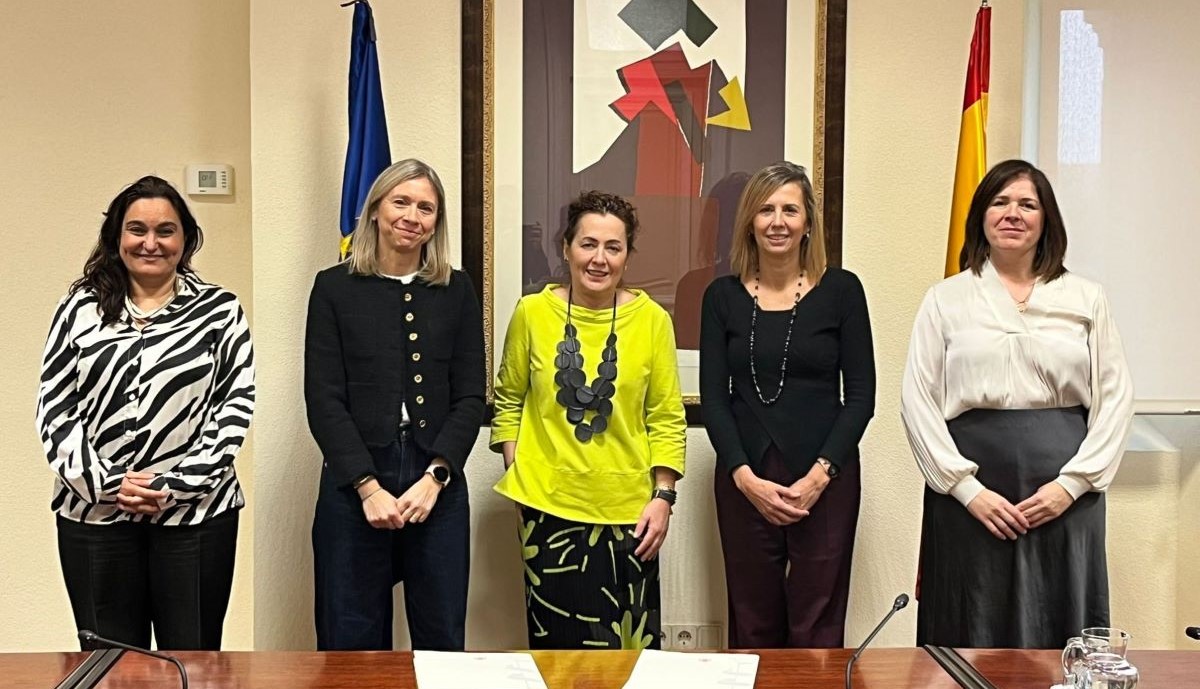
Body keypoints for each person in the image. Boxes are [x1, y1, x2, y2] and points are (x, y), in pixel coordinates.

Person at [901, 159, 1134, 649]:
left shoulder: (1086, 298)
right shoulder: (945, 299)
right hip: (970, 498)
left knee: (1062, 629)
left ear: (1046, 218)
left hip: (1066, 495)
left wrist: (1071, 486)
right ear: (981, 216)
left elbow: (1116, 397)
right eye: (999, 202)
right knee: (969, 626)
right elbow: (917, 400)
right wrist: (967, 490)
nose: (1013, 213)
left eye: (1027, 204)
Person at [36, 175, 255, 650]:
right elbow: (55, 408)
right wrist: (108, 484)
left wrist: (172, 485)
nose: (150, 243)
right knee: (110, 665)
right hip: (94, 516)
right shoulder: (78, 309)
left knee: (193, 662)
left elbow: (234, 406)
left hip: (196, 516)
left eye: (165, 231)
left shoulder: (220, 310)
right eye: (137, 229)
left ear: (186, 238)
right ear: (116, 237)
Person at [491, 190, 686, 650]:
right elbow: (508, 400)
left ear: (627, 256)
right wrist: (518, 471)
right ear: (566, 248)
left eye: (613, 247)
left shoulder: (653, 320)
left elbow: (666, 416)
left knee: (630, 661)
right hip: (547, 511)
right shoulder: (532, 313)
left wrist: (663, 497)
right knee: (557, 659)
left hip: (632, 516)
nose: (599, 258)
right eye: (588, 244)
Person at [305, 159, 486, 651]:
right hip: (355, 481)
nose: (412, 216)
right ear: (375, 210)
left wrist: (437, 476)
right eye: (400, 202)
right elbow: (324, 398)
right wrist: (367, 487)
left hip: (436, 480)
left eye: (425, 207)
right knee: (350, 641)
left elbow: (471, 395)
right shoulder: (334, 287)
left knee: (441, 639)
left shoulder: (456, 290)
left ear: (436, 221)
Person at [699, 161, 875, 648]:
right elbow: (715, 400)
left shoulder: (842, 291)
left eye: (789, 210)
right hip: (744, 476)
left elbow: (861, 397)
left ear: (808, 223)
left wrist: (819, 477)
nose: (777, 221)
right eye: (765, 210)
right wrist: (744, 478)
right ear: (749, 222)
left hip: (827, 477)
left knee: (818, 625)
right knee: (752, 621)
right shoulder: (721, 297)